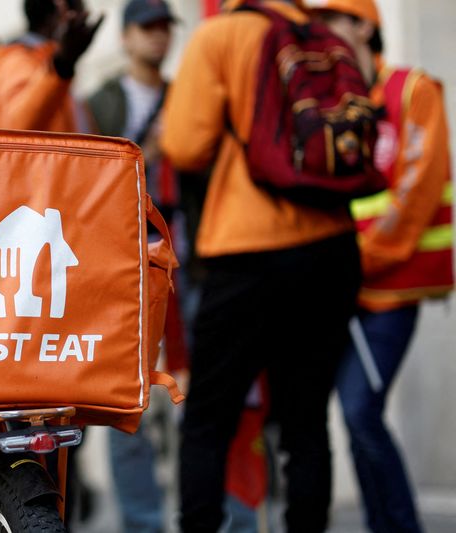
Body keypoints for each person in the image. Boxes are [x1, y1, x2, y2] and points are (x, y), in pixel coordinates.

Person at [161, 1, 362, 531]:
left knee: (208, 421)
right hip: (333, 248)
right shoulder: (324, 37)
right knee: (306, 423)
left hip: (247, 251)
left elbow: (185, 145)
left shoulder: (220, 36)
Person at [309, 1, 453, 531]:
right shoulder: (329, 105)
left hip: (392, 289)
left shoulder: (414, 91)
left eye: (331, 22)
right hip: (341, 290)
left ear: (364, 27)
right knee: (354, 419)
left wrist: (355, 260)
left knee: (359, 412)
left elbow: (417, 190)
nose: (319, 35)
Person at [87, 4, 177, 530]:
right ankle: (144, 523)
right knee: (127, 404)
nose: (158, 38)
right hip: (123, 263)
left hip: (184, 254)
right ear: (125, 37)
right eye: (148, 27)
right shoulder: (102, 101)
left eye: (165, 27)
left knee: (193, 398)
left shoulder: (184, 92)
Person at [0, 0, 103, 131]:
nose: (84, 24)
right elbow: (16, 130)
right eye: (79, 14)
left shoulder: (49, 59)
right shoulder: (16, 62)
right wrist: (62, 64)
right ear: (55, 15)